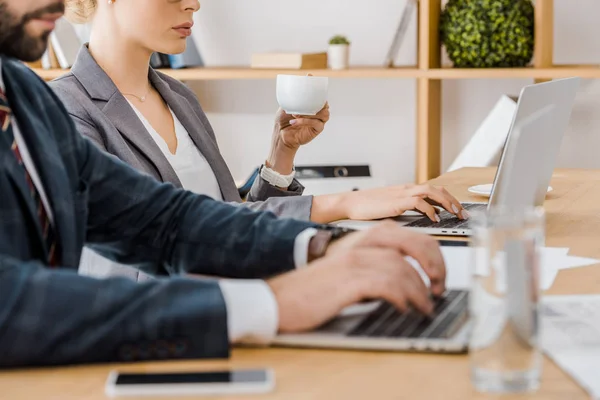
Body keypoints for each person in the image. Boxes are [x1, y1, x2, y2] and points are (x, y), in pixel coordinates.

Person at [0, 0, 447, 368]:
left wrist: (321, 247)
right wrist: (272, 300)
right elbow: (18, 305)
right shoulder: (65, 102)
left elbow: (164, 221)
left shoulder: (22, 94)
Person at [49, 0, 467, 280]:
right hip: (155, 327)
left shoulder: (178, 97)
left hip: (228, 295)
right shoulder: (63, 110)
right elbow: (158, 239)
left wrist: (280, 154)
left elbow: (229, 217)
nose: (194, 3)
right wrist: (343, 204)